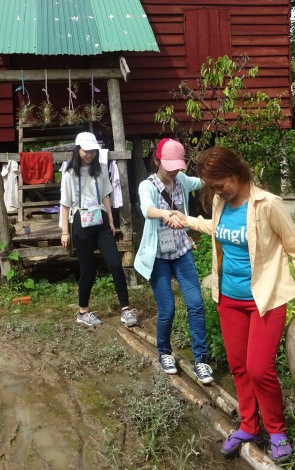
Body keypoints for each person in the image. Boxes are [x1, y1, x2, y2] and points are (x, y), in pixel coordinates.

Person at [175, 146, 295, 462]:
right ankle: (249, 424)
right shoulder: (219, 202)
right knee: (238, 366)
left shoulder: (268, 205)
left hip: (265, 300)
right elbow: (220, 231)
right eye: (211, 186)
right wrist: (188, 220)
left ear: (236, 173)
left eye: (220, 183)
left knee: (259, 368)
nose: (216, 191)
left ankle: (277, 431)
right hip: (228, 299)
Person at [135, 138, 213, 385]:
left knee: (196, 305)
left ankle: (201, 359)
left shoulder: (181, 180)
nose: (173, 171)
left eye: (177, 166)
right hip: (158, 257)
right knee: (167, 309)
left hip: (181, 251)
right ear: (157, 160)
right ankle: (164, 352)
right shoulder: (146, 186)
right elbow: (147, 209)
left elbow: (203, 181)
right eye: (168, 165)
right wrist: (164, 213)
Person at [59, 132, 137, 328]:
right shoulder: (69, 173)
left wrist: (111, 220)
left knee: (115, 264)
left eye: (93, 150)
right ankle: (83, 311)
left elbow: (106, 196)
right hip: (80, 221)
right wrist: (65, 232)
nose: (90, 154)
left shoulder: (101, 169)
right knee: (88, 268)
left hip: (100, 220)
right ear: (77, 149)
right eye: (86, 150)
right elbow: (65, 204)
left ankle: (126, 309)